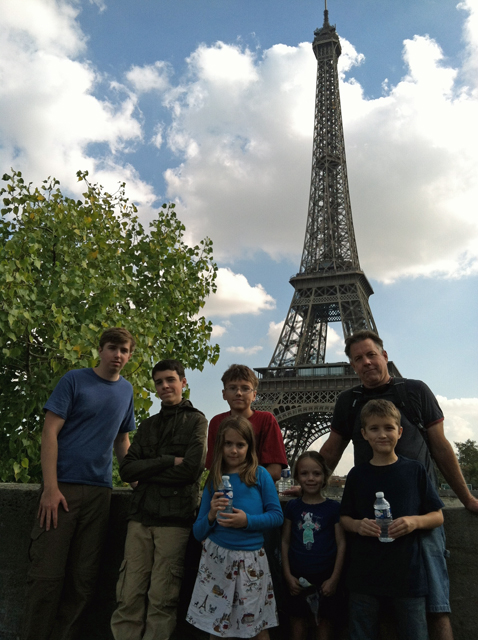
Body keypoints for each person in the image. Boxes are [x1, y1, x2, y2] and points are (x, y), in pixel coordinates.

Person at [319, 329, 478, 640]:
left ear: (385, 356)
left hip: (419, 511)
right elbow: (332, 449)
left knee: (436, 602)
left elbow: (441, 447)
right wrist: (306, 483)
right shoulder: (347, 402)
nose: (366, 362)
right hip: (369, 518)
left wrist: (468, 498)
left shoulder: (415, 391)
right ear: (352, 366)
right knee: (367, 603)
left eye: (371, 354)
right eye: (358, 359)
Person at [23, 327, 136, 640]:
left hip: (101, 493)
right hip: (62, 489)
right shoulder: (74, 380)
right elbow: (49, 432)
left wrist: (138, 481)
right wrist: (50, 488)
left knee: (83, 582)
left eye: (124, 350)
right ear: (100, 350)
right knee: (46, 577)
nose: (118, 355)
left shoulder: (126, 391)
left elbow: (122, 442)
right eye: (113, 348)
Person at [110, 359, 208, 640]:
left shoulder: (198, 420)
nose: (165, 386)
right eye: (159, 382)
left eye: (170, 380)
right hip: (140, 517)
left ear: (183, 382)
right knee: (128, 594)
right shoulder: (149, 424)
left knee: (162, 599)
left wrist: (149, 469)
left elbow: (191, 470)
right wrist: (166, 461)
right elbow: (127, 469)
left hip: (174, 522)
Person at [340, 399, 444, 640]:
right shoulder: (357, 474)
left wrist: (414, 522)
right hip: (364, 576)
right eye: (374, 429)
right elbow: (344, 517)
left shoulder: (415, 470)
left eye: (388, 428)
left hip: (408, 575)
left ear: (400, 432)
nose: (382, 434)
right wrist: (357, 525)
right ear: (364, 434)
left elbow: (437, 516)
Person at [186, 416, 284, 639]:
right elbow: (198, 532)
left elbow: (277, 516)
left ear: (250, 447)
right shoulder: (214, 479)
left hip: (251, 560)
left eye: (240, 444)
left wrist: (247, 521)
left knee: (258, 627)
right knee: (217, 627)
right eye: (228, 444)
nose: (234, 450)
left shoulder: (260, 475)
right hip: (217, 560)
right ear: (220, 445)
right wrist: (211, 514)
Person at [281, 452, 346, 640]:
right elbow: (285, 541)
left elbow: (341, 543)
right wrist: (287, 575)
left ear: (325, 477)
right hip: (297, 576)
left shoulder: (333, 508)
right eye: (305, 474)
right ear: (297, 477)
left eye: (316, 474)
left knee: (324, 626)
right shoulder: (292, 507)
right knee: (298, 626)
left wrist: (334, 579)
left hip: (325, 577)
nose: (310, 478)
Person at [205, 364, 288, 482]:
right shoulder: (216, 422)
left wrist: (239, 482)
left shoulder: (267, 421)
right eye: (233, 388)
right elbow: (213, 468)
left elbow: (275, 471)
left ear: (254, 395)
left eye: (245, 388)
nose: (239, 393)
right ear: (224, 394)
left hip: (254, 492)